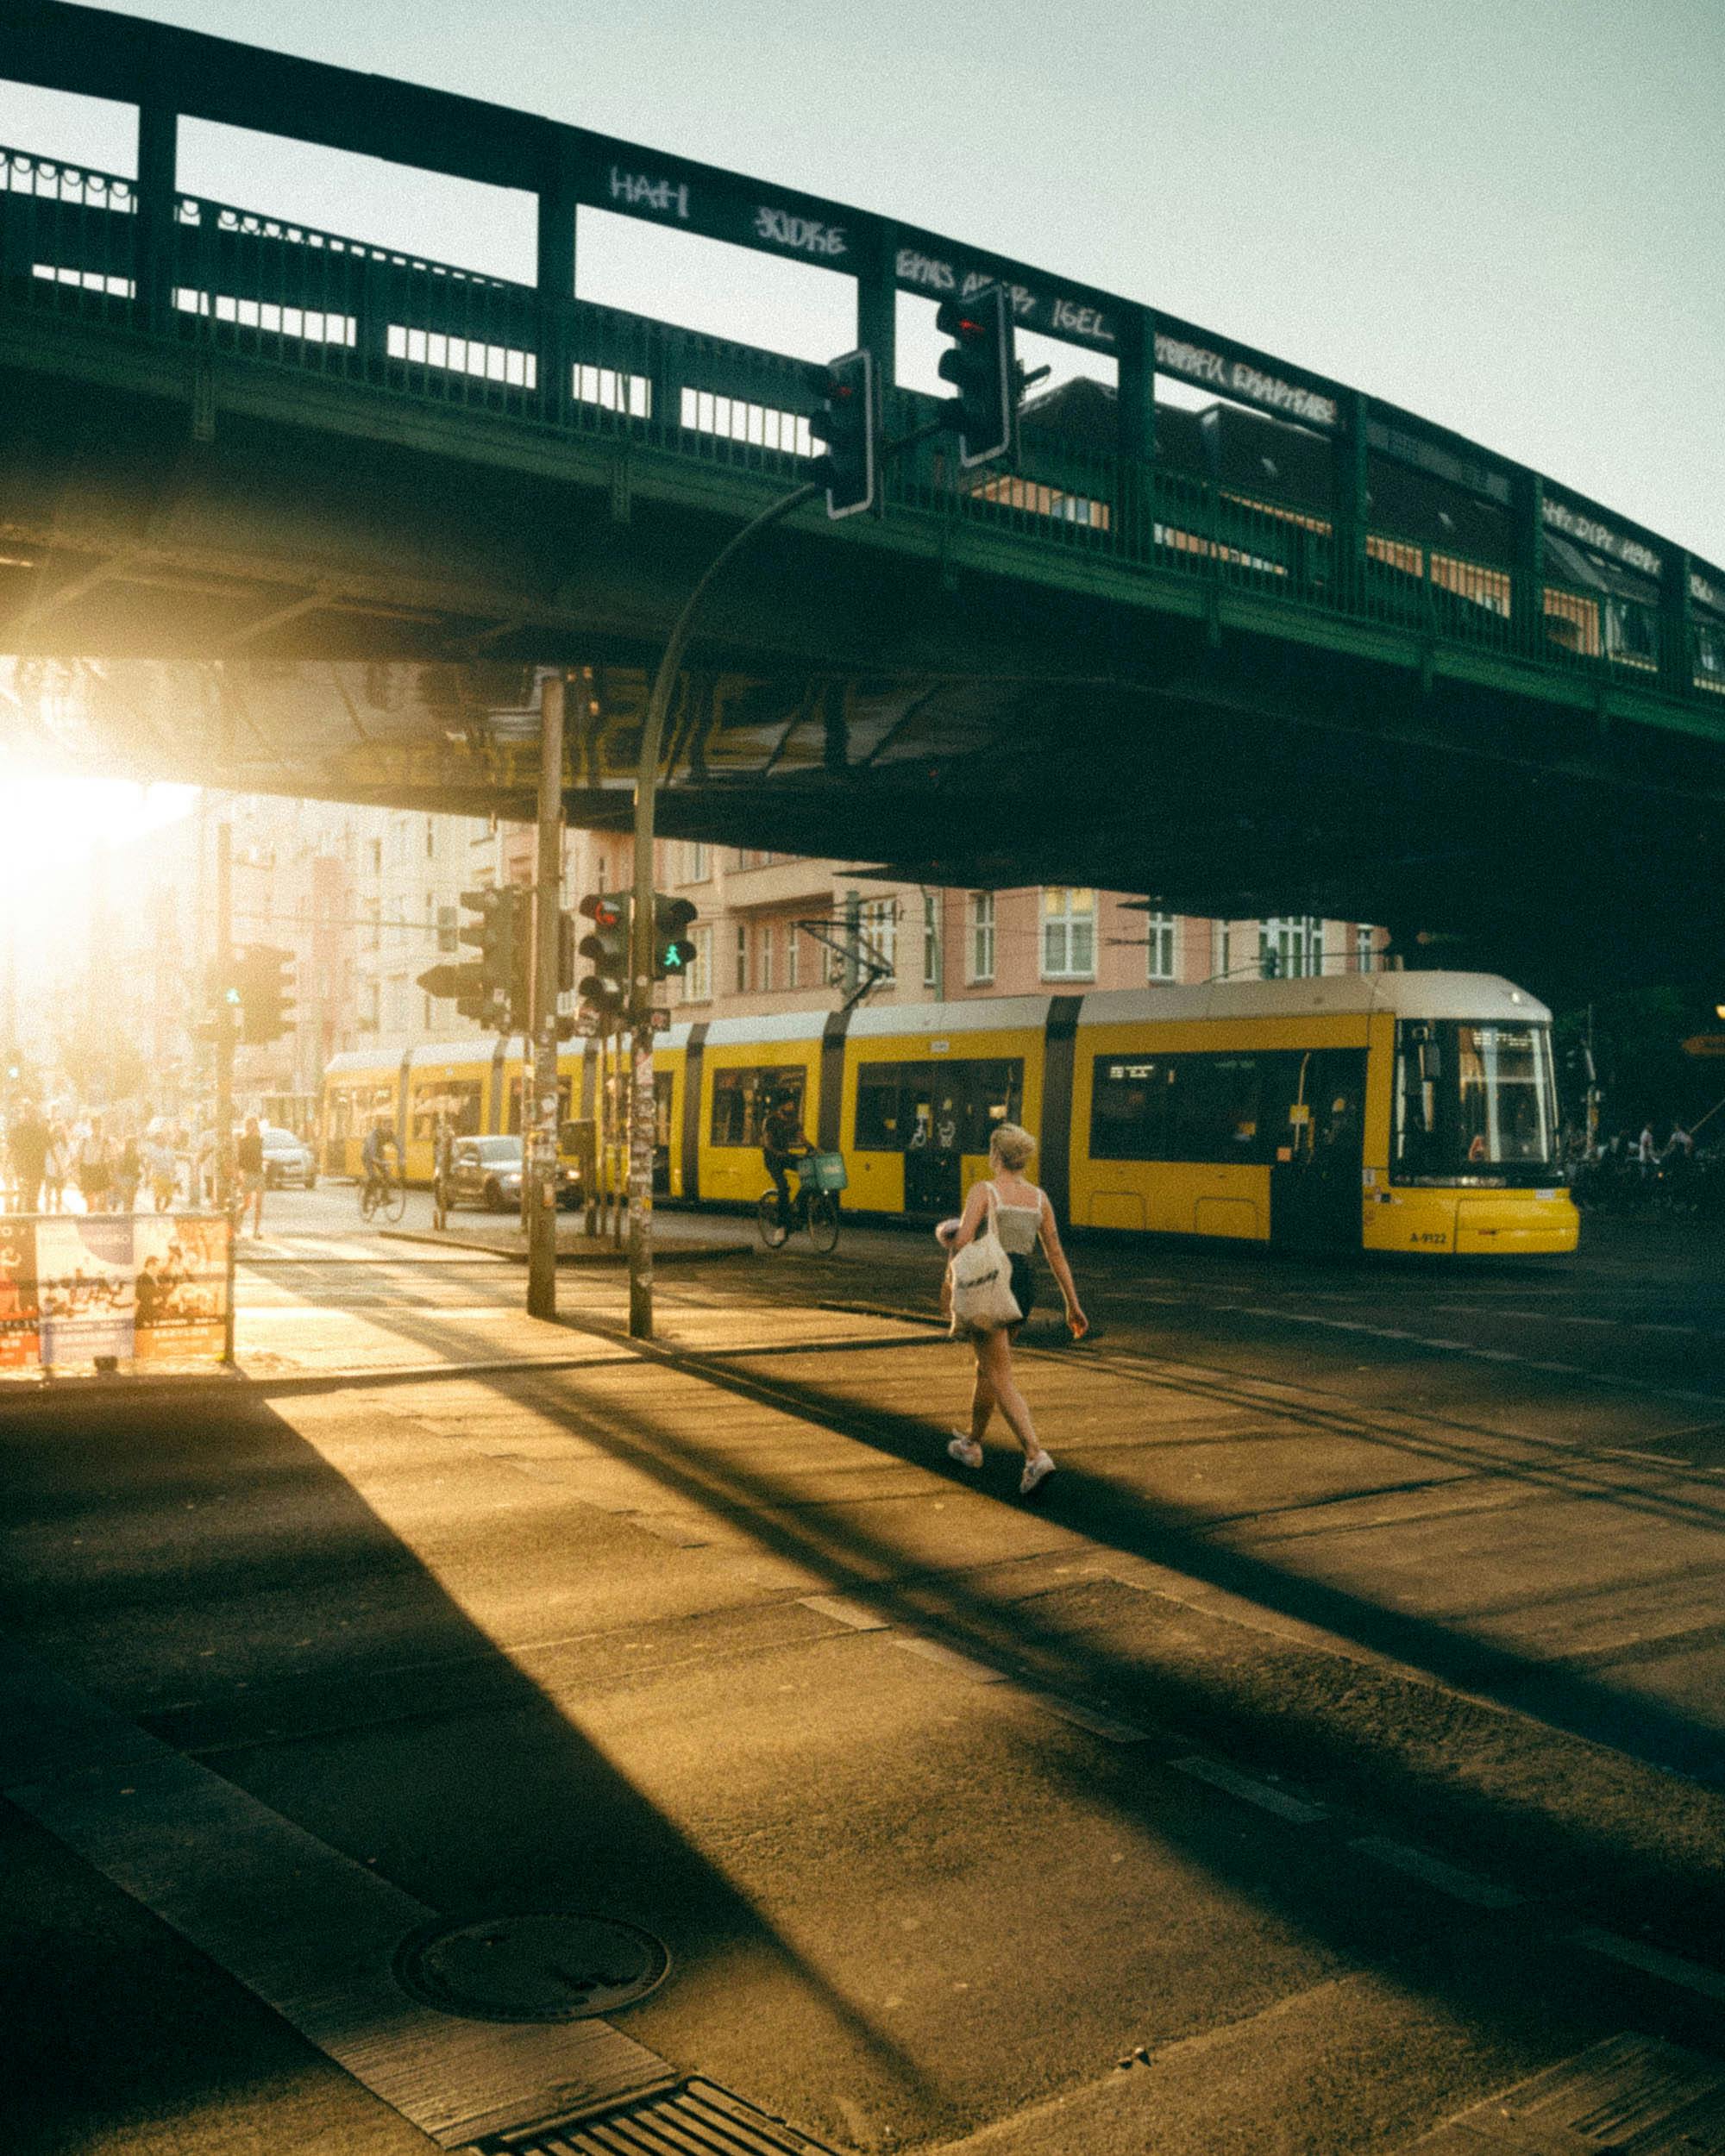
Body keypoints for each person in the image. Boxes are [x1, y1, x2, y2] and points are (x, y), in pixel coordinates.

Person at [939, 1121, 1087, 1496]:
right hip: (1022, 1284)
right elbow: (1056, 1254)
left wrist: (945, 1239)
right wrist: (1073, 1304)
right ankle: (972, 1442)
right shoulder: (1039, 1199)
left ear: (995, 1155)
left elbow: (964, 1239)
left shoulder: (983, 1191)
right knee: (988, 1366)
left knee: (999, 1373)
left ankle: (1035, 1456)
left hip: (990, 1282)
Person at [761, 1087, 812, 1228]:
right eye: (789, 1104)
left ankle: (799, 1213)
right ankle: (781, 1225)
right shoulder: (770, 1120)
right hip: (772, 1159)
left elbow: (803, 1139)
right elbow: (766, 1141)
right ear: (781, 1106)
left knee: (809, 1174)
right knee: (783, 1188)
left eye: (792, 1104)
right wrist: (777, 1152)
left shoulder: (793, 1122)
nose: (792, 1106)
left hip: (785, 1156)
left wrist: (813, 1149)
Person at [8, 1100, 47, 1215]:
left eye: (32, 1113)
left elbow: (48, 1146)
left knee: (33, 1197)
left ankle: (30, 1223)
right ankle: (19, 1220)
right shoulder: (17, 1130)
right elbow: (12, 1148)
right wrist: (7, 1164)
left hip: (37, 1168)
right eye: (27, 1113)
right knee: (22, 1194)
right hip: (22, 1168)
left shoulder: (41, 1129)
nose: (30, 1116)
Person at [75, 1116, 114, 1214]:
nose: (97, 1128)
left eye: (99, 1125)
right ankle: (90, 1224)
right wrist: (77, 1174)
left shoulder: (105, 1140)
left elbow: (110, 1158)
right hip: (88, 1170)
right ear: (91, 1127)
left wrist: (111, 1173)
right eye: (95, 1125)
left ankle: (103, 1223)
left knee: (103, 1201)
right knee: (90, 1202)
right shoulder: (84, 1140)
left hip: (100, 1169)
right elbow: (79, 1157)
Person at [235, 1114, 266, 1238]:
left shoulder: (259, 1140)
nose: (254, 1127)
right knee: (246, 1204)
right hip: (247, 1174)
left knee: (259, 1205)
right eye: (251, 1124)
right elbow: (240, 1161)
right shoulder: (243, 1141)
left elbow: (259, 1156)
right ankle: (237, 1220)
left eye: (255, 1124)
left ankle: (256, 1231)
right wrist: (238, 1176)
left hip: (259, 1174)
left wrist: (263, 1162)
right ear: (247, 1126)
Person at [361, 1118, 398, 1211]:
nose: (389, 1128)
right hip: (367, 1156)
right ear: (382, 1126)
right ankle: (365, 1202)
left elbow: (398, 1144)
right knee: (373, 1177)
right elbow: (372, 1149)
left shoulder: (390, 1134)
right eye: (387, 1126)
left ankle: (385, 1197)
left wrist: (402, 1157)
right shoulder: (374, 1135)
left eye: (391, 1127)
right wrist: (377, 1159)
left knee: (386, 1174)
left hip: (379, 1155)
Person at [432, 1114, 455, 1232]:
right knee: (440, 1186)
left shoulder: (447, 1135)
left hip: (443, 1166)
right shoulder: (444, 1135)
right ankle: (442, 1220)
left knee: (441, 1186)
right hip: (442, 1166)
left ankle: (442, 1220)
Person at [147, 1131, 178, 1213]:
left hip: (169, 1175)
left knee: (170, 1196)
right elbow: (149, 1163)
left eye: (164, 1138)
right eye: (161, 1138)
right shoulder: (152, 1150)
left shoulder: (169, 1149)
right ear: (156, 1140)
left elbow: (173, 1162)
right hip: (157, 1175)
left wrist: (175, 1173)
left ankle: (164, 1209)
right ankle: (157, 1210)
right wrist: (147, 1177)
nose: (163, 1140)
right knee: (158, 1195)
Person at [116, 1131, 142, 1213]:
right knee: (127, 1199)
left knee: (132, 1199)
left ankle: (129, 1215)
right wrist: (118, 1179)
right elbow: (118, 1167)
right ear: (127, 1144)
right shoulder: (122, 1154)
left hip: (134, 1178)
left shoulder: (137, 1154)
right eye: (132, 1143)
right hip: (125, 1178)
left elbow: (139, 1165)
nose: (134, 1145)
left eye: (135, 1143)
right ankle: (126, 1215)